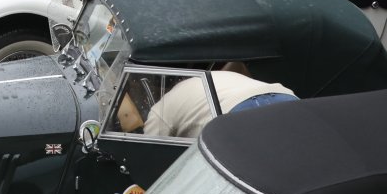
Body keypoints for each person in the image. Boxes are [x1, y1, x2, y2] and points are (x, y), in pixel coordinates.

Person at [120, 64, 297, 139]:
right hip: (285, 96)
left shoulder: (160, 110)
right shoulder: (208, 78)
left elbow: (151, 151)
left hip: (239, 111)